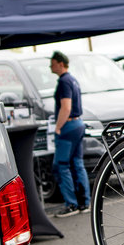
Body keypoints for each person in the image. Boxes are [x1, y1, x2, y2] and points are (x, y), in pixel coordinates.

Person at [49, 51, 90, 215]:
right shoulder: (72, 79)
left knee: (61, 166)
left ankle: (71, 204)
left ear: (60, 64)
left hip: (68, 126)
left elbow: (66, 107)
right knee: (77, 163)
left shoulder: (63, 82)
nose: (50, 67)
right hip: (78, 124)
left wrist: (58, 127)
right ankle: (84, 202)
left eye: (52, 64)